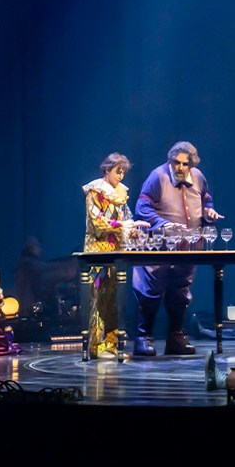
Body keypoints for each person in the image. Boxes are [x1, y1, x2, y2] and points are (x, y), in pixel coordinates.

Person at [133, 141, 221, 356]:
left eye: (184, 164)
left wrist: (209, 213)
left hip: (189, 247)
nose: (180, 168)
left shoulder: (198, 177)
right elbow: (141, 207)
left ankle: (175, 338)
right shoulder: (158, 177)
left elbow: (206, 201)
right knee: (151, 292)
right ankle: (143, 337)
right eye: (176, 163)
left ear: (191, 164)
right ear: (170, 161)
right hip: (159, 248)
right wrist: (162, 223)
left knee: (180, 292)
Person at [82, 152, 147, 358]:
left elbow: (127, 219)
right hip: (98, 252)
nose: (121, 176)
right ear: (107, 170)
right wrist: (126, 226)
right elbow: (98, 223)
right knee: (98, 299)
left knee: (112, 300)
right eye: (118, 171)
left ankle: (110, 344)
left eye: (123, 172)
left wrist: (136, 230)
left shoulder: (120, 194)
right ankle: (96, 346)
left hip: (116, 252)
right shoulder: (95, 191)